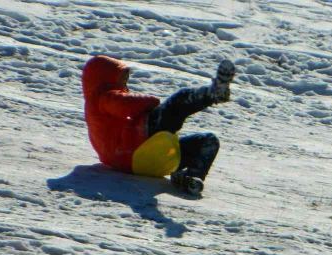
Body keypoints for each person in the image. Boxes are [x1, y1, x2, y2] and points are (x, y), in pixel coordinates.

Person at [81, 55, 235, 196]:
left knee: (208, 139)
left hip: (140, 159)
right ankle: (213, 94)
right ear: (105, 77)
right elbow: (126, 105)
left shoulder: (97, 104)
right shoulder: (103, 96)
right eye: (122, 77)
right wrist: (151, 102)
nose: (125, 82)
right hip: (134, 151)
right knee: (179, 102)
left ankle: (190, 179)